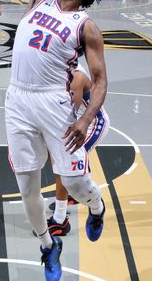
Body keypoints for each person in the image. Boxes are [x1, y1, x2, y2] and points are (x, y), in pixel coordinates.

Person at [5, 0, 107, 281]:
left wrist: (84, 119)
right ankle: (49, 246)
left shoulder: (86, 26)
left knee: (74, 182)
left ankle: (97, 206)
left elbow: (100, 82)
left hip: (53, 101)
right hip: (17, 98)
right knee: (28, 187)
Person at [47, 64, 110, 236]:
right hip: (71, 123)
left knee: (63, 161)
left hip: (91, 124)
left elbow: (66, 115)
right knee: (59, 160)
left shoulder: (75, 77)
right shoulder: (52, 69)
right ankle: (76, 191)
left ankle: (60, 219)